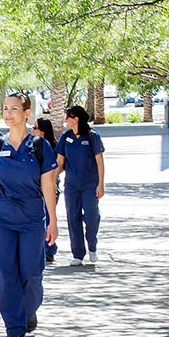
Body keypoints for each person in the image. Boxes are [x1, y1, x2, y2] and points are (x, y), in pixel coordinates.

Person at [0, 91, 59, 337]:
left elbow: (48, 186)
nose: (8, 114)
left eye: (14, 109)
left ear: (27, 113)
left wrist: (53, 220)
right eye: (6, 109)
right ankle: (14, 325)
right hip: (0, 217)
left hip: (31, 217)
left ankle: (28, 309)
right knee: (5, 271)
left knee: (32, 272)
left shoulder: (40, 147)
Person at [55, 106, 106, 266]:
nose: (65, 120)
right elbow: (60, 162)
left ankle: (92, 246)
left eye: (67, 117)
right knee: (73, 218)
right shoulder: (66, 137)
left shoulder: (92, 136)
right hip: (71, 186)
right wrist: (51, 180)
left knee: (91, 217)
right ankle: (78, 253)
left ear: (75, 119)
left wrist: (101, 184)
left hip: (90, 185)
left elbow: (99, 161)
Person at [32, 117, 59, 262]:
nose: (32, 130)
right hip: (35, 188)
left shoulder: (50, 147)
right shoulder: (30, 146)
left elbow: (59, 166)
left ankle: (49, 248)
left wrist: (52, 181)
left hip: (50, 187)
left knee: (49, 217)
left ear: (42, 132)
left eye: (35, 128)